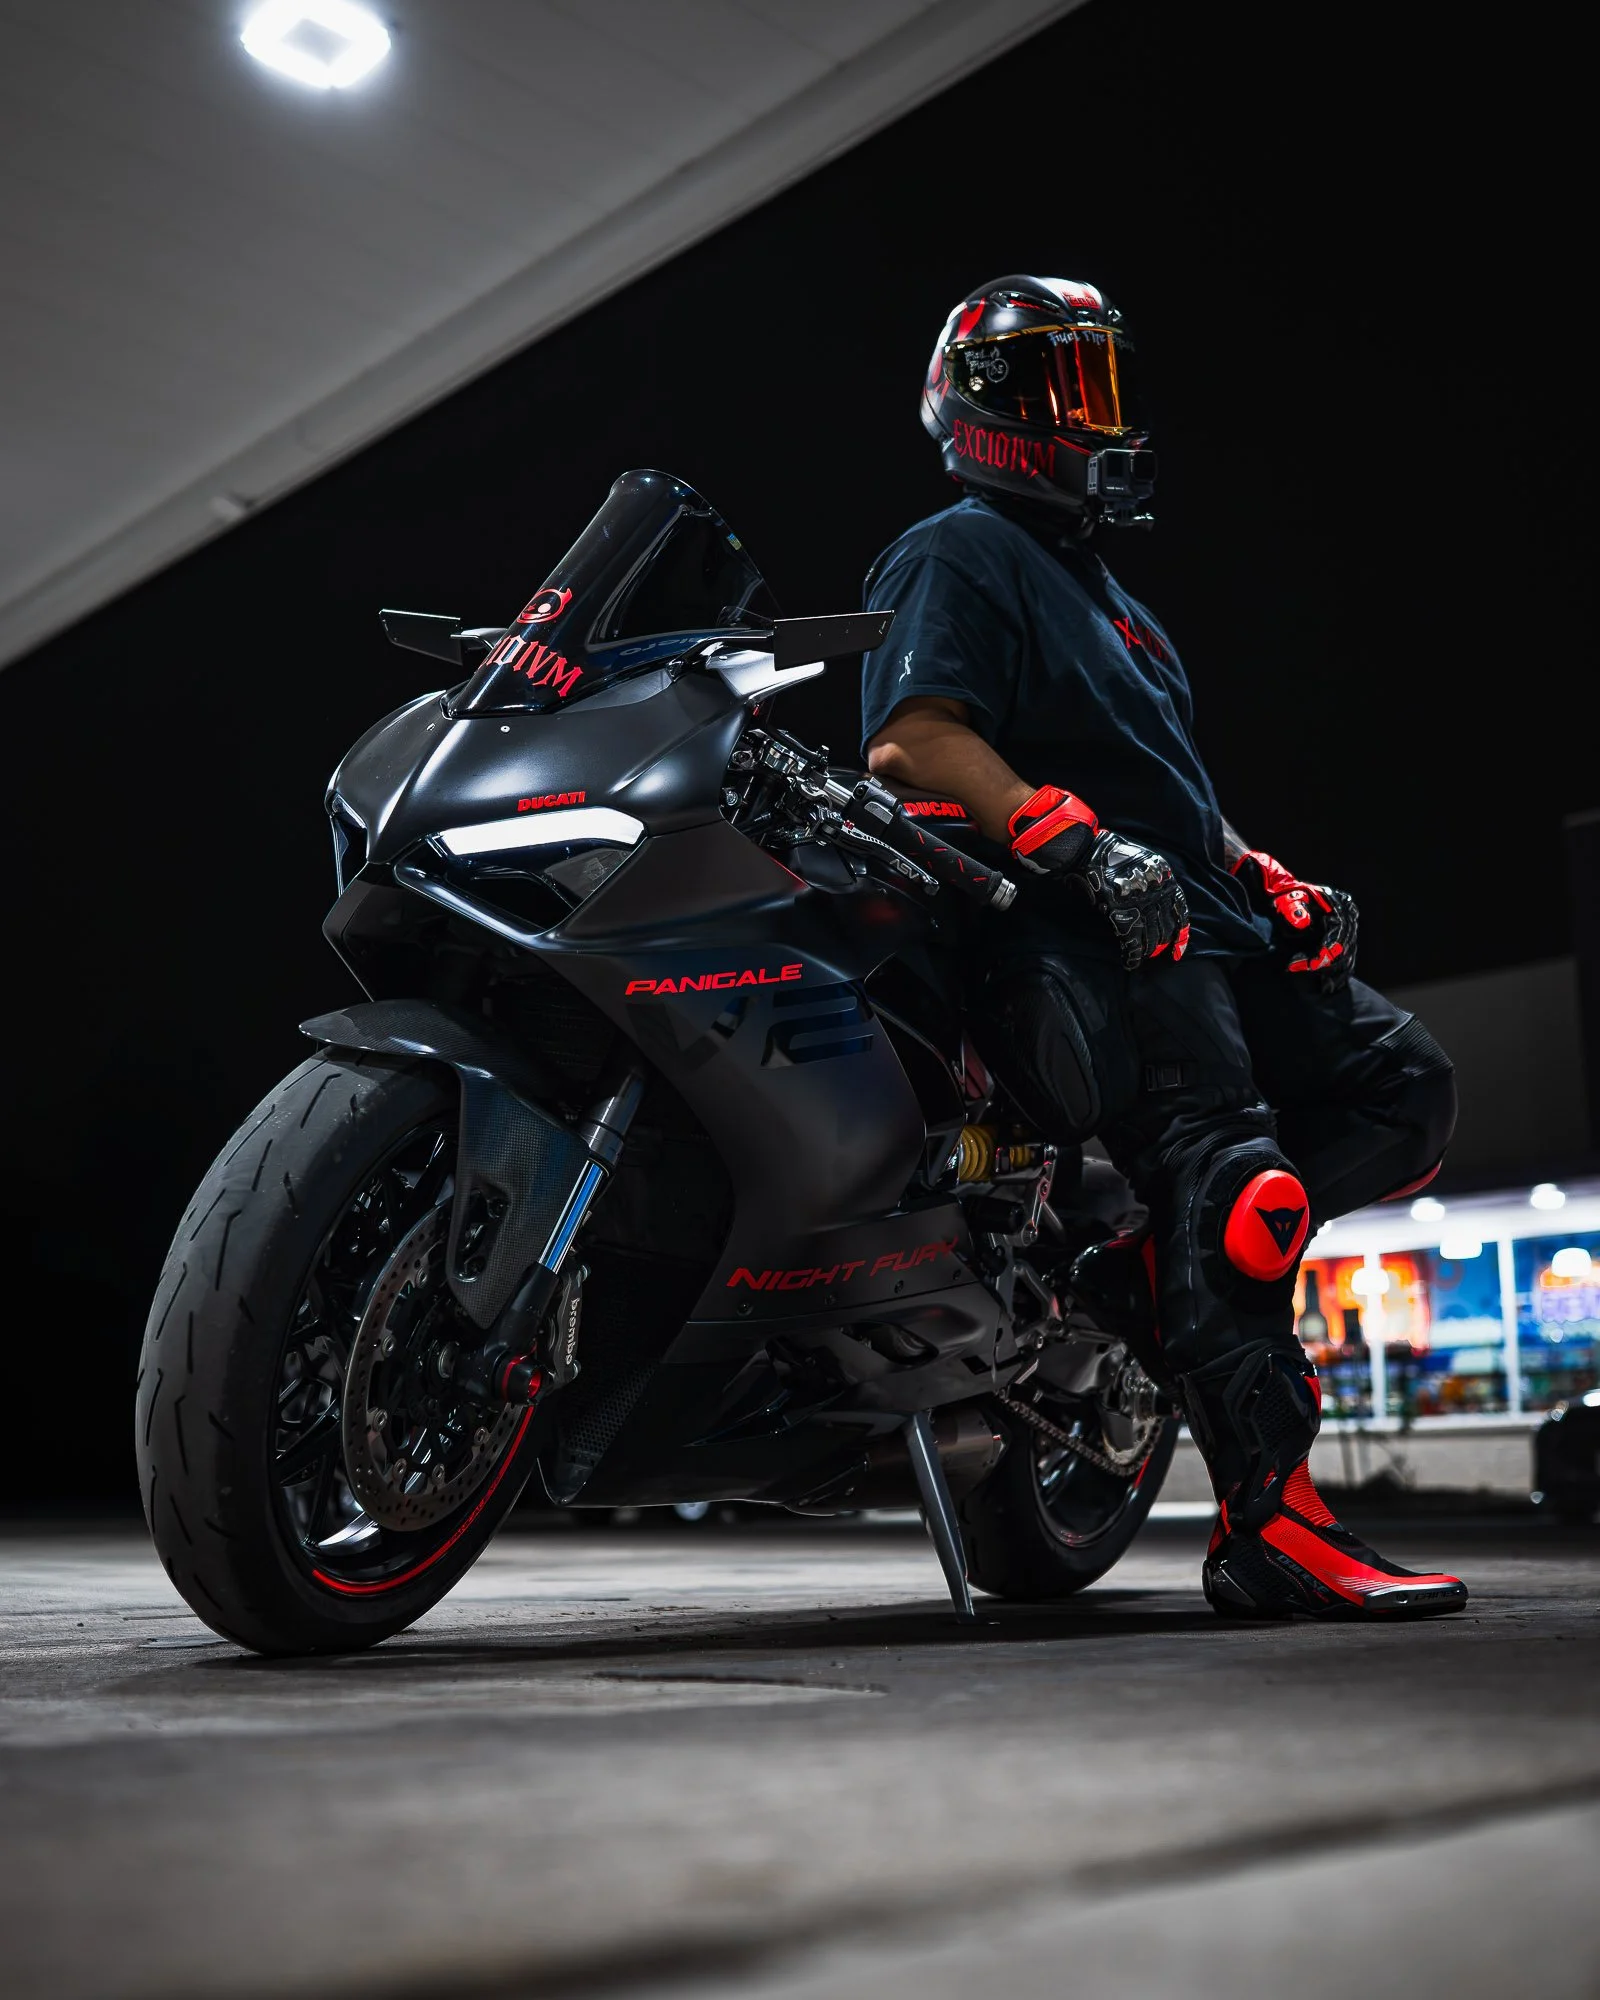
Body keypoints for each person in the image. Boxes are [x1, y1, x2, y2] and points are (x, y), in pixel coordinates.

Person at [861, 275, 1465, 1619]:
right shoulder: (959, 550)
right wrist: (1067, 842)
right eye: (1065, 389)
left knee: (1405, 1091)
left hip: (1204, 919)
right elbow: (914, 741)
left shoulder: (1116, 601)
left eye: (1103, 386)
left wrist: (1262, 871)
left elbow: (1168, 781)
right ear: (990, 411)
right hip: (1096, 940)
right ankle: (1273, 1530)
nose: (1097, 417)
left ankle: (1152, 1262)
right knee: (1239, 1187)